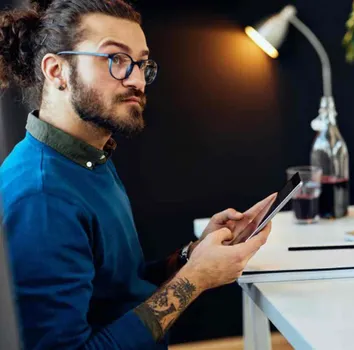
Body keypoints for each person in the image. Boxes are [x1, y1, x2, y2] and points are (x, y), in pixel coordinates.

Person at [0, 0, 275, 349]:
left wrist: (193, 254)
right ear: (57, 71)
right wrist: (195, 279)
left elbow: (119, 290)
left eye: (142, 64)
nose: (138, 80)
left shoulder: (89, 158)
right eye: (116, 59)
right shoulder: (40, 198)